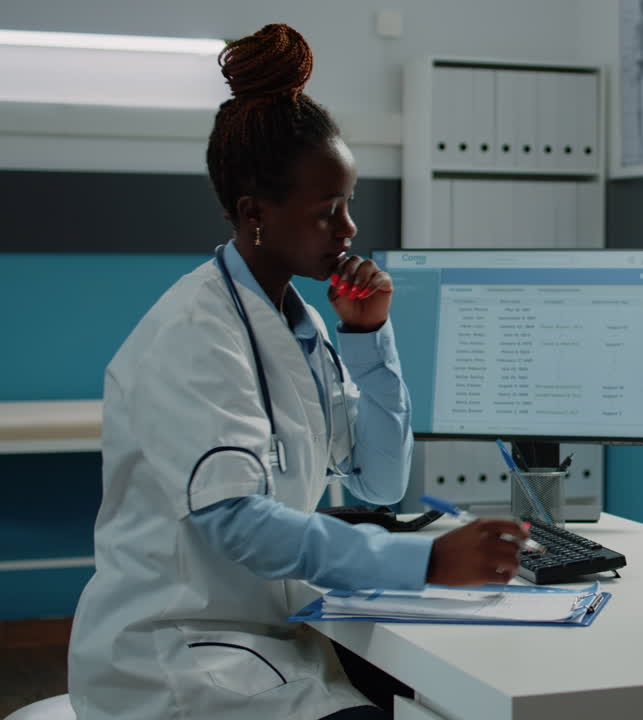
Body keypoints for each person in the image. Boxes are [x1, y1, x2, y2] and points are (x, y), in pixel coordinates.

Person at [67, 24, 528, 720]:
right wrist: (424, 564)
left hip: (275, 640)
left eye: (349, 205)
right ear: (255, 214)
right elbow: (237, 524)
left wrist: (368, 336)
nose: (347, 230)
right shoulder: (197, 334)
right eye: (327, 212)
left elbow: (378, 480)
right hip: (181, 658)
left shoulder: (298, 328)